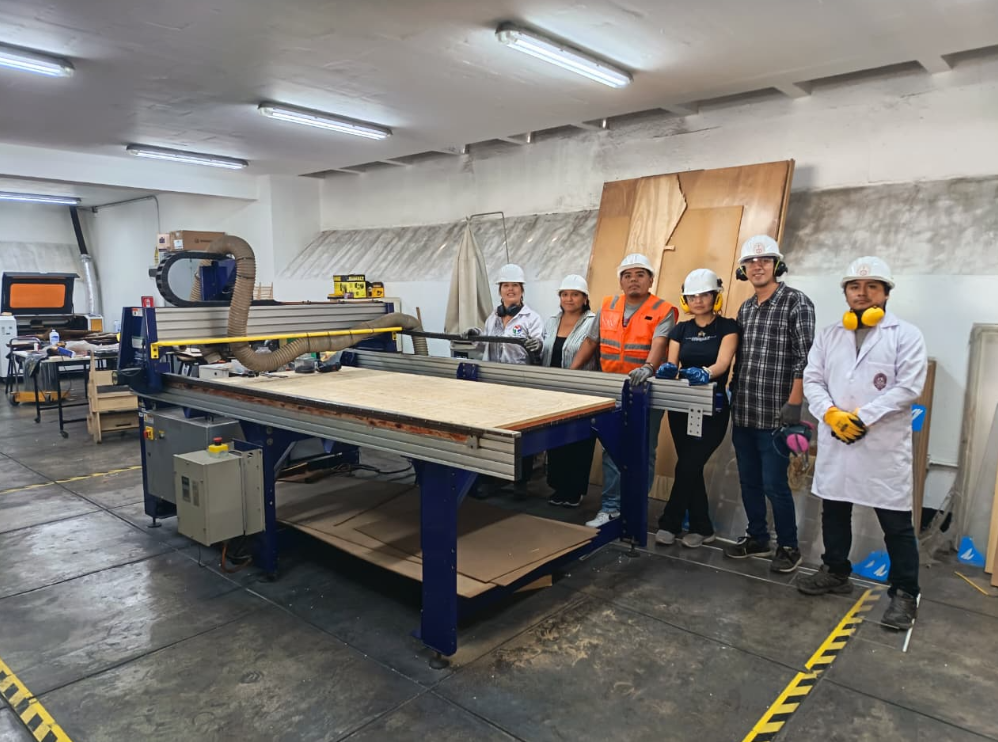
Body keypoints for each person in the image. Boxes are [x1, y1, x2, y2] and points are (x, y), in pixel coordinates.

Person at [798, 257, 927, 630]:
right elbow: (813, 379)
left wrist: (863, 417)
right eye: (855, 286)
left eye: (872, 286)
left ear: (885, 293)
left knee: (896, 522)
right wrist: (832, 415)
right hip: (838, 439)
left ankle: (905, 593)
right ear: (846, 293)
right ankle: (836, 570)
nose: (862, 292)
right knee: (834, 511)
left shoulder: (906, 334)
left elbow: (909, 386)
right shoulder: (829, 333)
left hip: (882, 444)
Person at [724, 235, 815, 573]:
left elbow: (805, 358)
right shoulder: (746, 308)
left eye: (764, 261)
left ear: (777, 265)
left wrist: (795, 402)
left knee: (776, 484)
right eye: (751, 262)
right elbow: (741, 357)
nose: (757, 266)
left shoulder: (796, 302)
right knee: (748, 481)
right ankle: (758, 537)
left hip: (777, 414)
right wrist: (732, 392)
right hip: (745, 411)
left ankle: (789, 547)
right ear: (743, 270)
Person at [570, 253, 678, 528]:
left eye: (640, 274)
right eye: (627, 275)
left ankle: (634, 506)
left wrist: (649, 367)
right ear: (620, 280)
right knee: (611, 447)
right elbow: (591, 340)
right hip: (612, 388)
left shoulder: (664, 309)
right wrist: (571, 371)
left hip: (646, 389)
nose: (633, 280)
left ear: (651, 279)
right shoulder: (608, 306)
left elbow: (660, 343)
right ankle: (610, 508)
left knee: (644, 449)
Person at [654, 269, 739, 548]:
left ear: (715, 296)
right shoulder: (681, 329)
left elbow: (724, 363)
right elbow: (673, 364)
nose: (699, 300)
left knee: (688, 465)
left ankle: (670, 521)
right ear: (685, 299)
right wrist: (668, 370)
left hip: (712, 407)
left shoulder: (728, 327)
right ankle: (703, 527)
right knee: (690, 467)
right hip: (681, 407)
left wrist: (706, 372)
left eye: (704, 294)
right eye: (693, 295)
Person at [540, 274, 599, 508]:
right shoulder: (552, 320)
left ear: (585, 299)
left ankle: (574, 490)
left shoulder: (592, 321)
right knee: (556, 437)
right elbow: (544, 348)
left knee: (578, 438)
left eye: (575, 294)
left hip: (580, 390)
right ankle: (558, 486)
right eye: (565, 294)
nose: (569, 299)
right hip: (552, 389)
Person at [467, 263, 544, 364]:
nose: (510, 289)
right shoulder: (493, 317)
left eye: (515, 285)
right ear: (500, 291)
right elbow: (484, 347)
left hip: (519, 375)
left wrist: (538, 345)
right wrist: (476, 335)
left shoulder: (532, 318)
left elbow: (541, 351)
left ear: (522, 290)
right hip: (491, 374)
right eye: (505, 285)